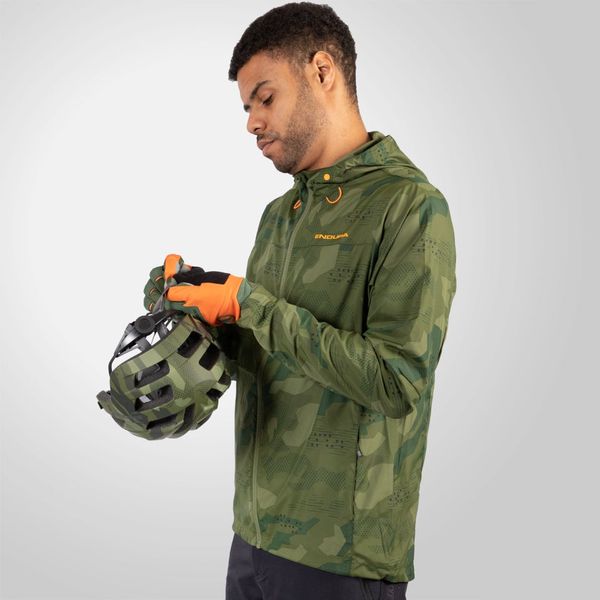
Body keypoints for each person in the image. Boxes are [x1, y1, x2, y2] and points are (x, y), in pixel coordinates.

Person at [143, 3, 456, 599]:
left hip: (341, 557)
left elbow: (397, 381)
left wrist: (249, 305)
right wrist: (195, 314)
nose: (252, 122)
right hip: (254, 534)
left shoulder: (410, 206)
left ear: (321, 71)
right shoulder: (280, 214)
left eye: (265, 98)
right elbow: (271, 354)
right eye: (246, 108)